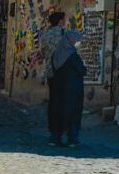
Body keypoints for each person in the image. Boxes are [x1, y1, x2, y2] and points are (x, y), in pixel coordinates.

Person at [41, 11, 86, 146]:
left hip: (51, 73)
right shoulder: (66, 33)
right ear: (60, 21)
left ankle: (55, 135)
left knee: (55, 103)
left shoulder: (45, 35)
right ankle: (71, 136)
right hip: (66, 74)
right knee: (70, 104)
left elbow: (43, 53)